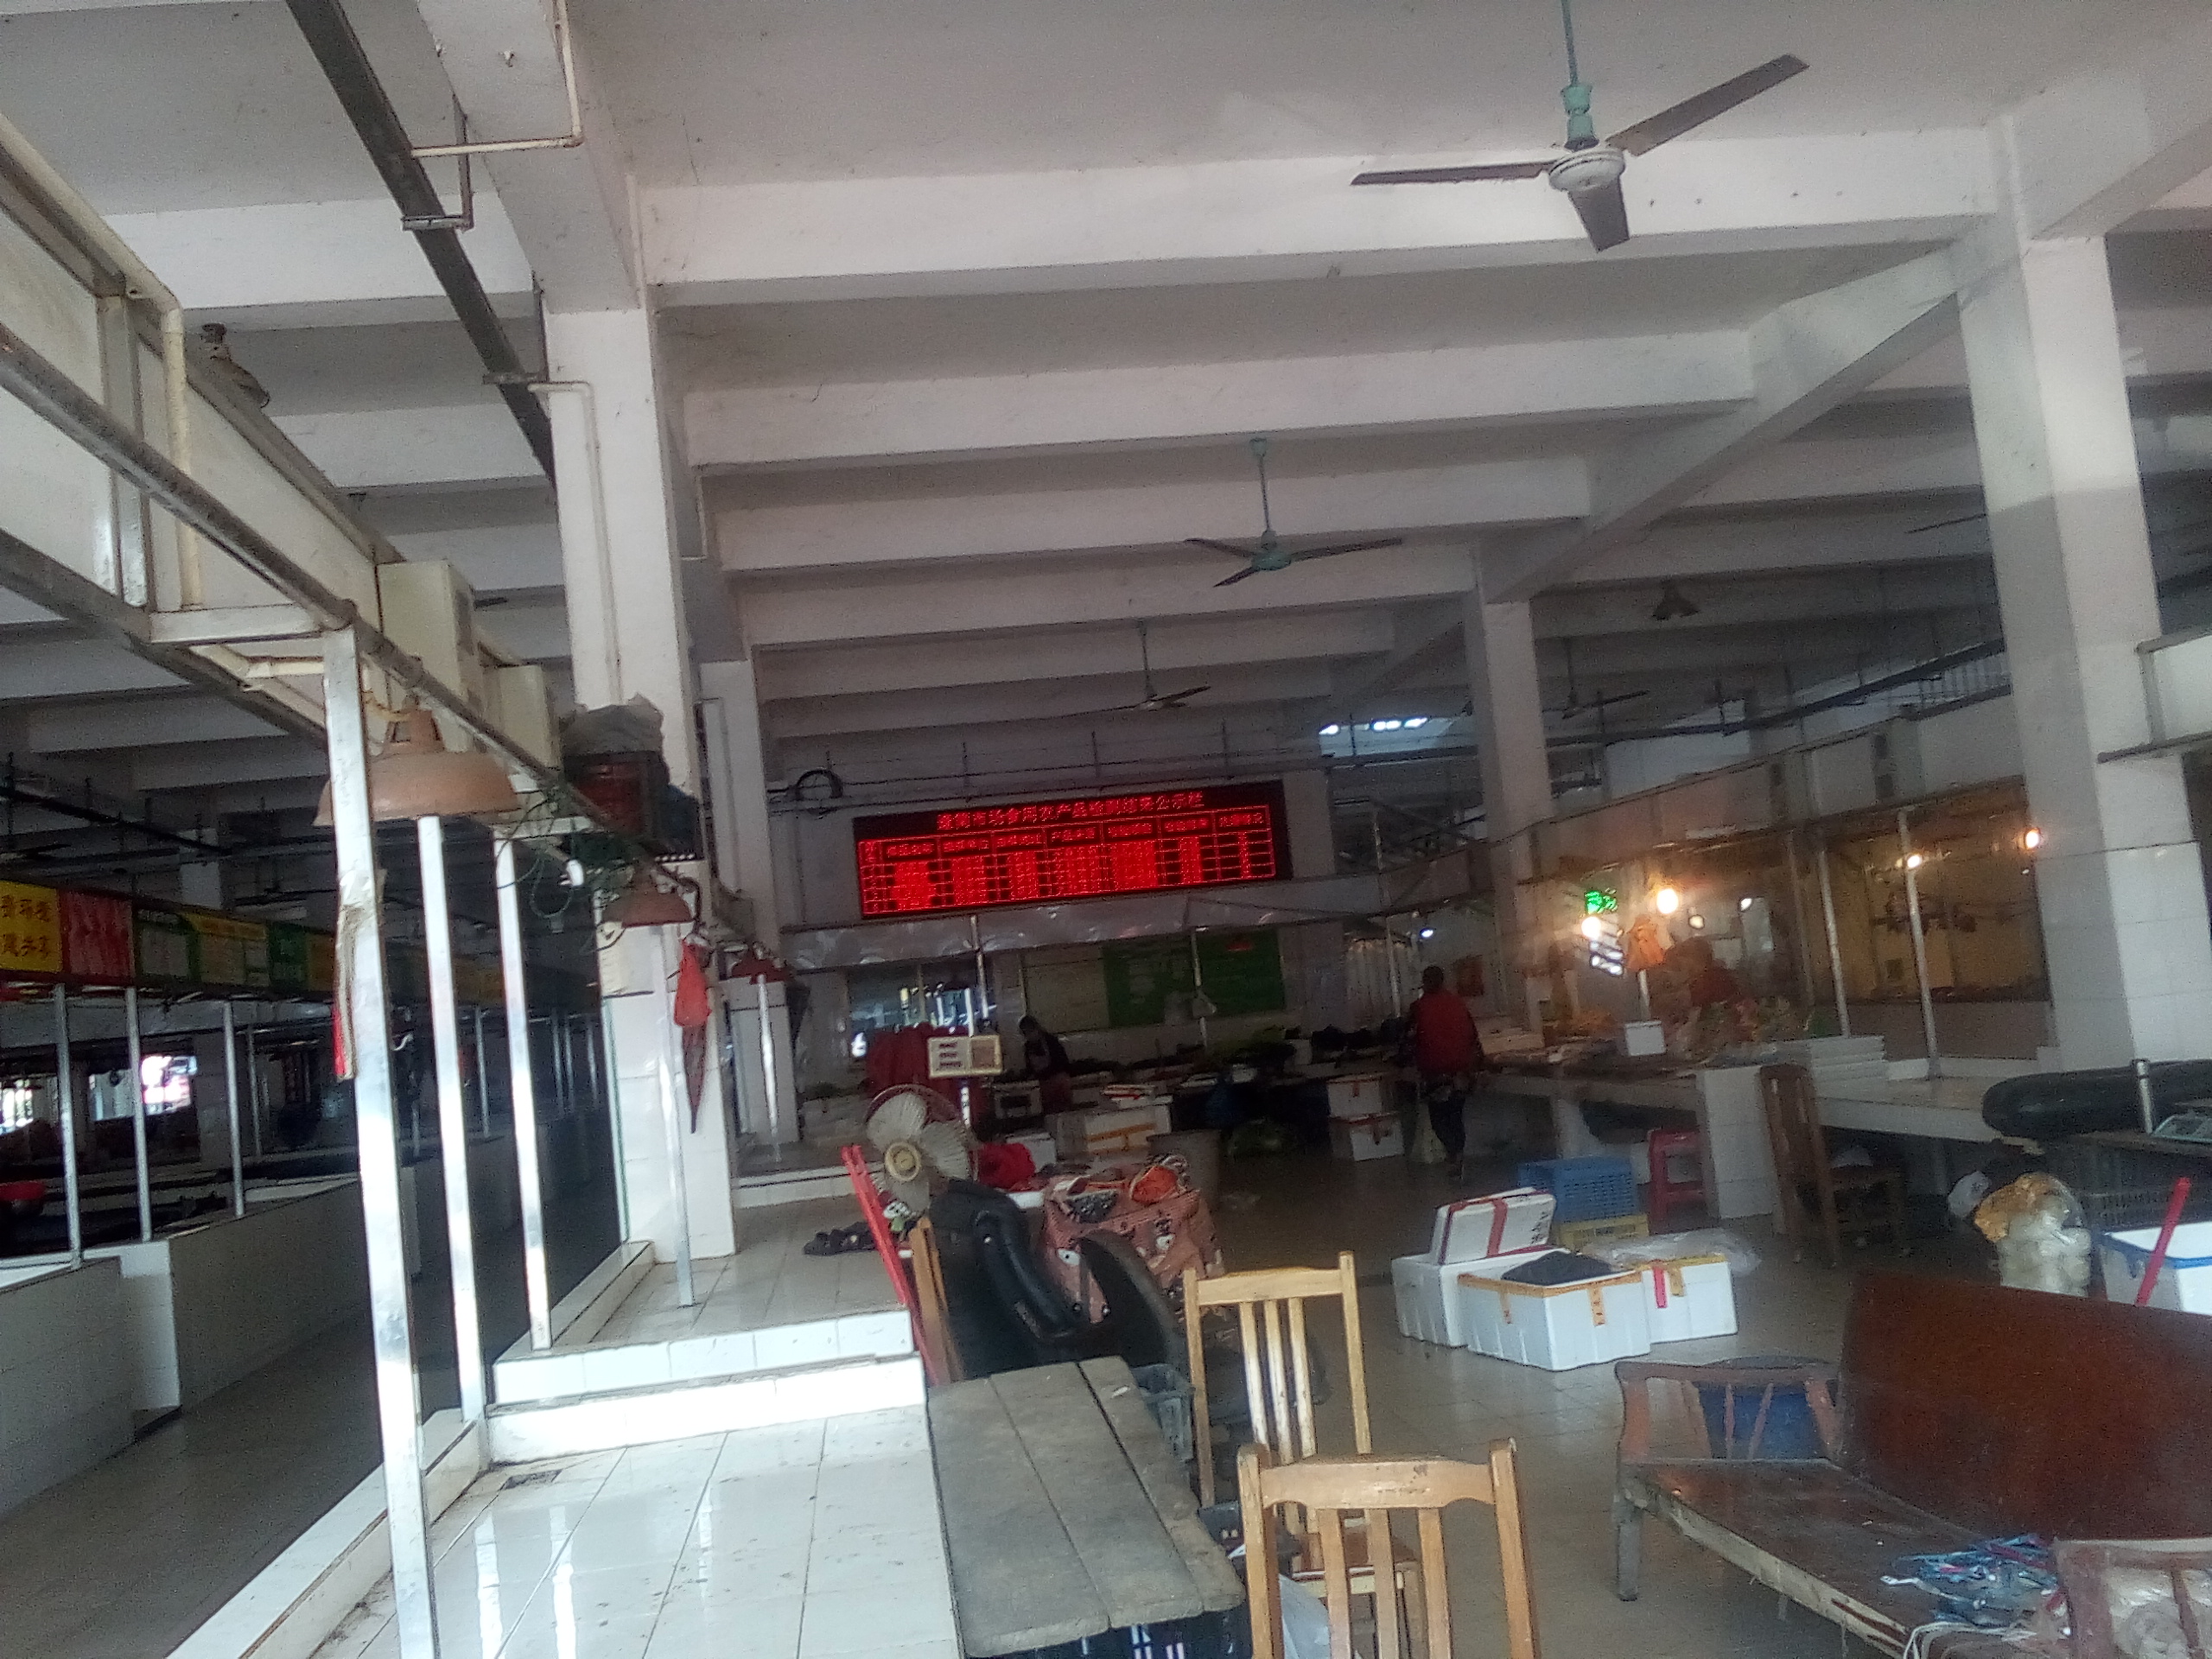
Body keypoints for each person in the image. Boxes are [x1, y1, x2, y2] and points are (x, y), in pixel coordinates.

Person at [1406, 964, 1484, 1180]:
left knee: (1439, 1120)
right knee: (1455, 1116)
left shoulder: (1418, 1008)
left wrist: (1403, 1061)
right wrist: (1479, 1065)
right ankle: (1457, 1156)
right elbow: (1473, 1037)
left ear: (1425, 983)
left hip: (1436, 1074)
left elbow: (1409, 1040)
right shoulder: (1458, 1003)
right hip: (1461, 1073)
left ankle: (1454, 1155)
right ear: (1443, 982)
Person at [1018, 1014, 1077, 1113]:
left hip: (1058, 1081)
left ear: (1036, 1028)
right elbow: (1030, 1068)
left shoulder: (1051, 1041)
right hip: (1042, 1084)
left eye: (1030, 1031)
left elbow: (1062, 1063)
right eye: (1025, 1033)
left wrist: (1042, 1074)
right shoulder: (1028, 1047)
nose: (1029, 1035)